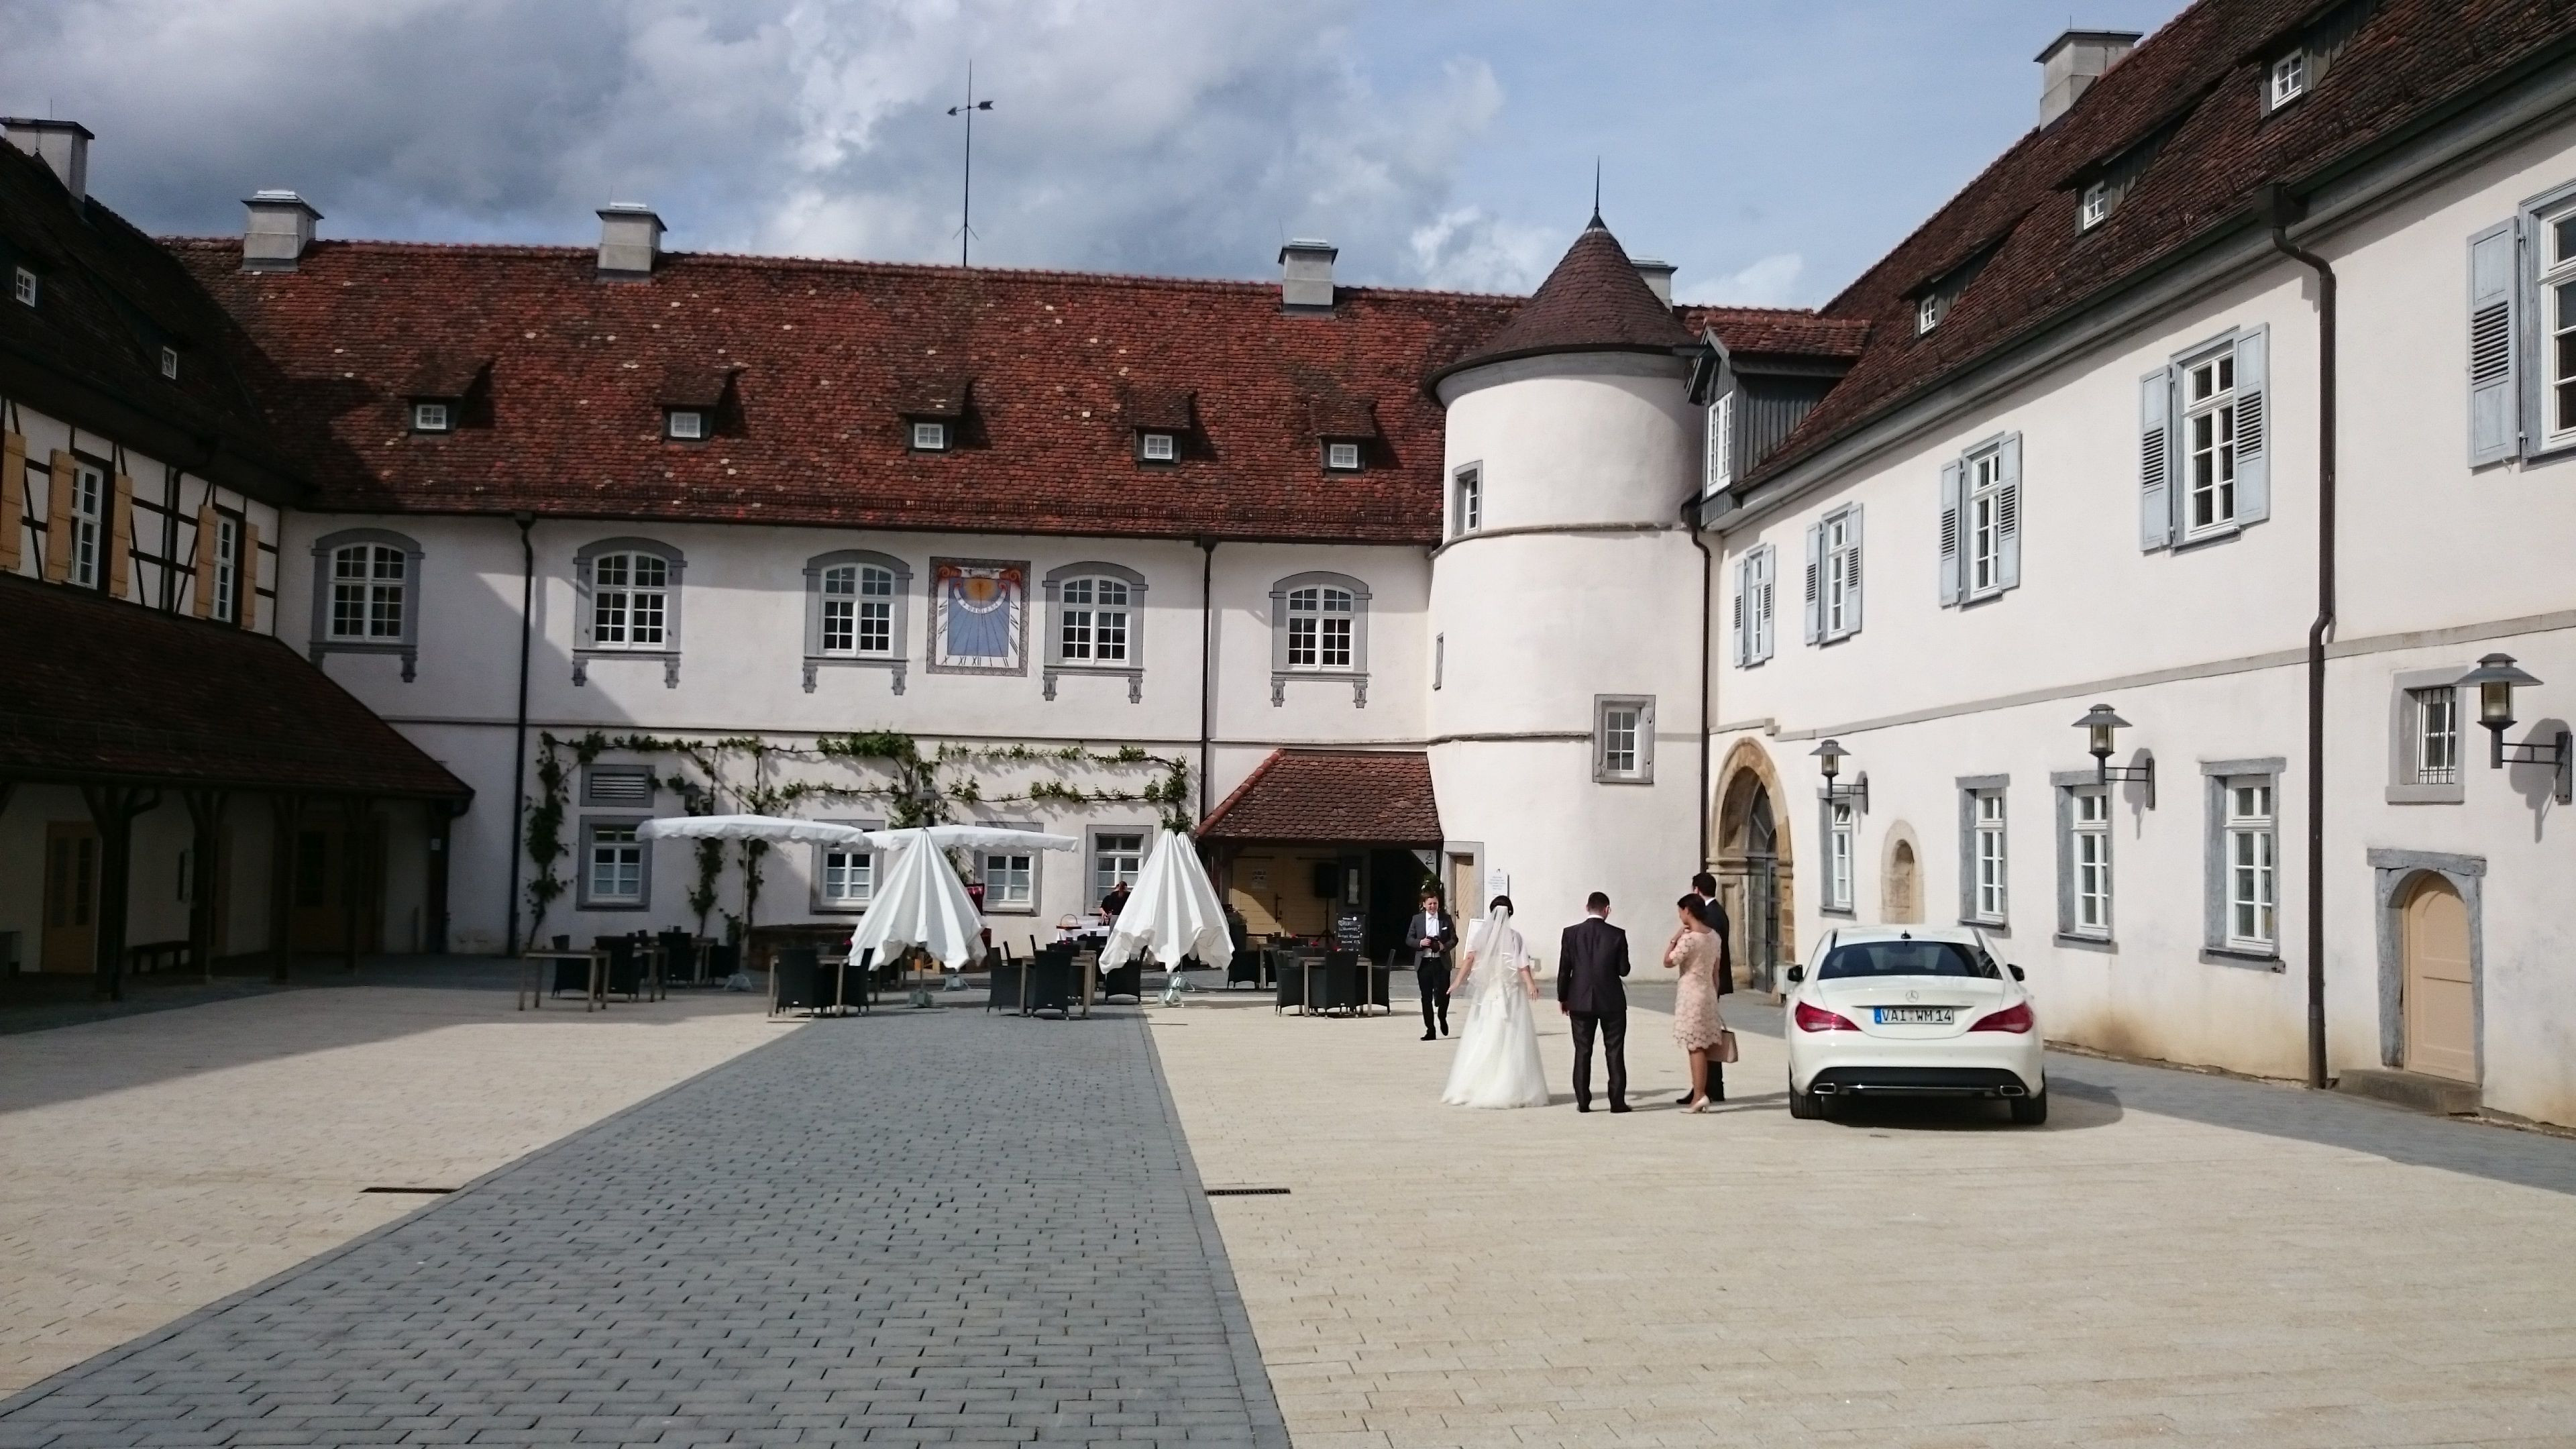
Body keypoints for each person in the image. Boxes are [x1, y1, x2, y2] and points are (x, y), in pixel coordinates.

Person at [1440, 896, 1549, 1109]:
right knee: (1511, 1039)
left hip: (1489, 994)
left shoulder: (1482, 936)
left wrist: (1458, 982)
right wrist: (1530, 985)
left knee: (1483, 1035)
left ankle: (1474, 1084)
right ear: (1510, 914)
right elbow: (1522, 966)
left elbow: (1469, 960)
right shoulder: (1514, 937)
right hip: (1510, 994)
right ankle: (1511, 1087)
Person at [1558, 891, 1631, 1112]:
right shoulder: (1618, 934)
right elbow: (1624, 970)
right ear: (1607, 910)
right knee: (1615, 1051)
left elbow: (1564, 970)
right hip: (1612, 1000)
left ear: (1586, 907)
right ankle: (1617, 1102)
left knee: (1582, 1051)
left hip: (1579, 1000)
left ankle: (1583, 1101)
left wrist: (1563, 997)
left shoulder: (1570, 934)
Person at [1664, 895, 1729, 1112]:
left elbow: (1669, 961)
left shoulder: (1690, 939)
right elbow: (1716, 972)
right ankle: (1701, 1092)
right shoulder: (1714, 937)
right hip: (1708, 993)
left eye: (1681, 911)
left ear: (1688, 911)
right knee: (1702, 1045)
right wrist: (1714, 994)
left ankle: (1699, 1094)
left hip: (1691, 994)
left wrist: (1674, 940)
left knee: (1695, 1046)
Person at [1407, 890, 1459, 1040]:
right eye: (1429, 904)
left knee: (1445, 994)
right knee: (1426, 997)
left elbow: (1454, 939)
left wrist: (1444, 946)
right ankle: (1430, 1029)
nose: (1432, 906)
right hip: (1424, 963)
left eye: (1435, 903)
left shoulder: (1445, 919)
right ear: (1424, 905)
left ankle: (1442, 1017)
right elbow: (1409, 939)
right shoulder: (1417, 919)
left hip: (1441, 962)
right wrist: (1420, 943)